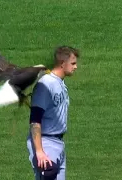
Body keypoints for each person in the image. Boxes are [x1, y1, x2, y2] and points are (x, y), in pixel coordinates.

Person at [26, 45, 79, 180]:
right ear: (62, 63)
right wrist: (39, 151)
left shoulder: (60, 83)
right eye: (73, 63)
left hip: (58, 143)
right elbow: (35, 120)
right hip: (46, 143)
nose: (76, 67)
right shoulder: (46, 84)